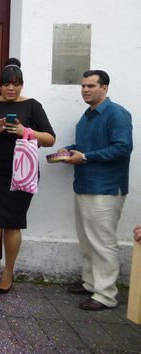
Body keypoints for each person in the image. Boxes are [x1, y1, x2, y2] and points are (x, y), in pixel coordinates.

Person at [0, 59, 55, 301]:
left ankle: (8, 272)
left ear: (21, 86)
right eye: (6, 84)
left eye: (15, 85)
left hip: (23, 171)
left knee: (13, 224)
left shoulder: (32, 106)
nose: (11, 89)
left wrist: (25, 131)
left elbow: (50, 138)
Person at [59, 70, 132, 311]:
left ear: (105, 88)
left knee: (103, 243)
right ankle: (91, 283)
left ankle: (106, 295)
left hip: (106, 188)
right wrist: (68, 152)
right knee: (87, 241)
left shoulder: (117, 113)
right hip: (85, 184)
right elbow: (84, 147)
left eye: (91, 86)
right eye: (83, 86)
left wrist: (86, 157)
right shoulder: (88, 115)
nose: (85, 90)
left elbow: (122, 148)